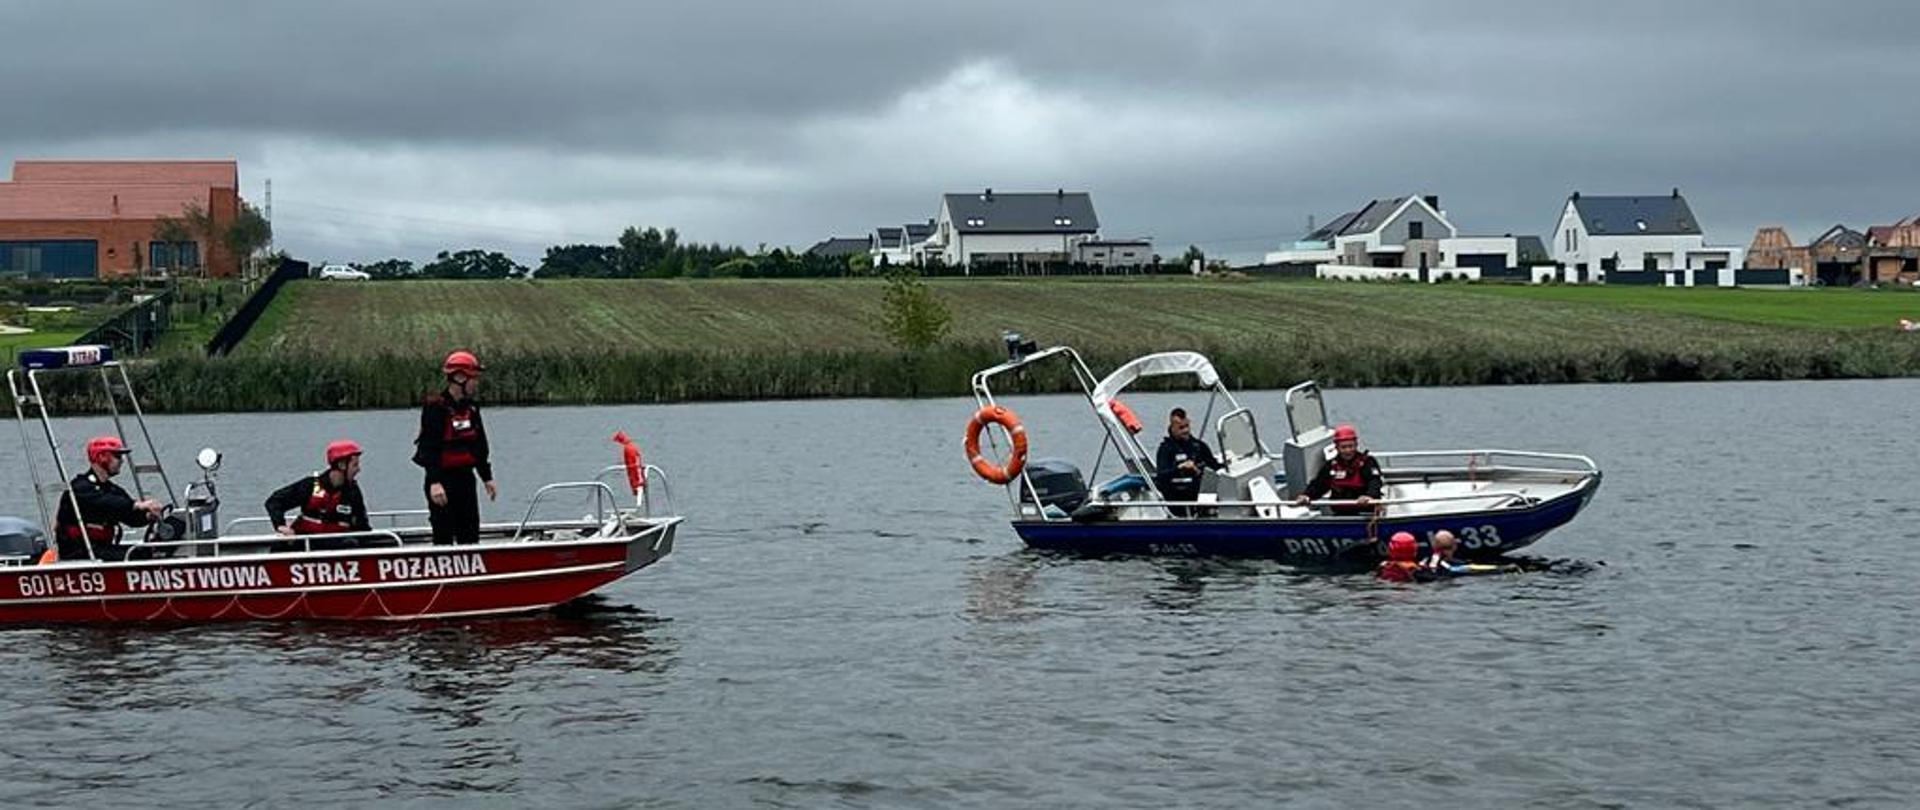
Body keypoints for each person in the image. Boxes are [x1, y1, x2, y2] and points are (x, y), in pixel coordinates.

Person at [414, 350, 496, 545]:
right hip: (442, 480)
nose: (476, 383)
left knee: (469, 532)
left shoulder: (471, 408)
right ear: (459, 378)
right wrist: (434, 482)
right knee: (443, 534)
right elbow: (429, 447)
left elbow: (479, 445)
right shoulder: (435, 408)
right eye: (473, 377)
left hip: (465, 478)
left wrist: (486, 477)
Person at [52, 436, 162, 562]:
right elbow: (105, 502)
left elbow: (130, 517)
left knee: (147, 551)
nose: (121, 461)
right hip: (79, 552)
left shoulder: (112, 490)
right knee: (135, 555)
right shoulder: (80, 487)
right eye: (117, 456)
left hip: (101, 549)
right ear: (101, 457)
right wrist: (138, 504)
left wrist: (148, 517)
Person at [265, 440, 371, 551]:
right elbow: (274, 502)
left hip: (337, 546)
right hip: (306, 544)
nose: (358, 470)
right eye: (355, 465)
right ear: (342, 465)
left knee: (352, 543)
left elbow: (363, 527)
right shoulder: (310, 486)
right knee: (280, 546)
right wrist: (281, 526)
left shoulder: (353, 492)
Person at [1293, 423, 1383, 516]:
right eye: (1343, 447)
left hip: (1365, 513)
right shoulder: (1332, 465)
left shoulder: (1367, 462)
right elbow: (1319, 484)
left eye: (1350, 446)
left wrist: (1369, 496)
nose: (1348, 451)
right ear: (1336, 447)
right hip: (1340, 513)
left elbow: (1374, 482)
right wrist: (1307, 495)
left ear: (1356, 445)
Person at [1155, 407, 1221, 517]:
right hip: (1177, 497)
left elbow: (1214, 466)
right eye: (1181, 428)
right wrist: (1180, 468)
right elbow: (1161, 476)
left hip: (1201, 494)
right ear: (1172, 427)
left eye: (1187, 426)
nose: (1185, 430)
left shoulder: (1199, 446)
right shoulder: (1165, 449)